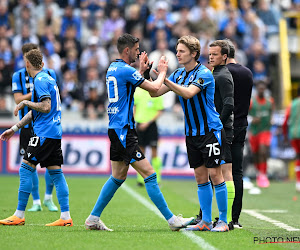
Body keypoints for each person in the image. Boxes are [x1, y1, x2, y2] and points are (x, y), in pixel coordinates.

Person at [84, 33, 194, 231]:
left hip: (116, 128)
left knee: (118, 177)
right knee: (150, 174)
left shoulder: (113, 68)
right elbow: (153, 87)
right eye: (136, 50)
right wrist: (162, 72)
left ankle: (93, 218)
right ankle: (172, 220)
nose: (138, 52)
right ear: (127, 50)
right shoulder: (126, 71)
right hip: (124, 131)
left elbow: (131, 85)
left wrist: (141, 71)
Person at [150, 35, 229, 232]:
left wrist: (165, 78)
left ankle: (224, 221)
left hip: (210, 131)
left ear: (194, 53)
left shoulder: (204, 73)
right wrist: (147, 74)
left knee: (216, 175)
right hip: (192, 133)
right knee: (200, 177)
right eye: (177, 50)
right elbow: (155, 92)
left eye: (182, 51)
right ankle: (205, 221)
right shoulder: (178, 74)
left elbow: (188, 93)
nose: (177, 54)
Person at [0, 49, 72, 226]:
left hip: (44, 133)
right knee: (56, 172)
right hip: (54, 132)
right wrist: (15, 128)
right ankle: (65, 217)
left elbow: (45, 107)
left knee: (25, 169)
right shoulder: (49, 78)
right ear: (42, 64)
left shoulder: (39, 80)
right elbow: (36, 111)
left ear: (27, 64)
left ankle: (19, 214)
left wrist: (24, 102)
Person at [12, 43, 58, 212]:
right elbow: (18, 99)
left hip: (45, 124)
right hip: (28, 124)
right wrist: (36, 94)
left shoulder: (47, 76)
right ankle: (37, 201)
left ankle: (47, 198)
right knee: (31, 165)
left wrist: (34, 95)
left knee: (46, 165)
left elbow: (50, 100)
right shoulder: (18, 75)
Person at [226, 39, 253, 228]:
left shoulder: (222, 72)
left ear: (224, 55)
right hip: (242, 125)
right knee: (237, 172)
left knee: (216, 171)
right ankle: (235, 218)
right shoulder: (248, 73)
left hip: (225, 126)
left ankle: (208, 214)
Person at [134, 86, 164, 186]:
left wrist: (147, 122)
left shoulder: (156, 91)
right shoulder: (138, 91)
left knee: (154, 152)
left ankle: (157, 178)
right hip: (139, 125)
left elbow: (159, 110)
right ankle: (141, 178)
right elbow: (134, 107)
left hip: (151, 125)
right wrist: (135, 120)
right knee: (141, 152)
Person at [249, 80, 274, 188]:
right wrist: (251, 119)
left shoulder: (270, 102)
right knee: (255, 154)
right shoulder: (251, 102)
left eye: (263, 89)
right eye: (259, 88)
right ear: (256, 90)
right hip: (254, 132)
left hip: (265, 131)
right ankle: (259, 172)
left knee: (263, 151)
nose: (261, 90)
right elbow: (244, 114)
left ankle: (263, 175)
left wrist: (272, 119)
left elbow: (272, 112)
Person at [282, 87, 300, 193]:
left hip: (294, 134)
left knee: (298, 157)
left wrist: (285, 135)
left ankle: (298, 182)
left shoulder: (292, 104)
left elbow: (285, 121)